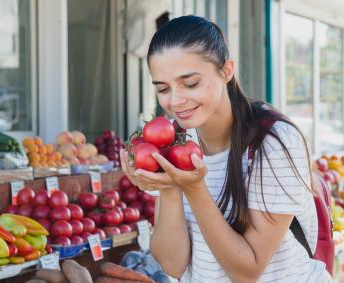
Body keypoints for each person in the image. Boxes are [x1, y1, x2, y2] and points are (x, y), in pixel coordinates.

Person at [120, 15, 332, 283]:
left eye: (190, 83)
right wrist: (169, 185)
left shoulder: (275, 142)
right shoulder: (172, 139)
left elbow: (246, 272)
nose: (175, 101)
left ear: (226, 71)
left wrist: (195, 189)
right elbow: (172, 265)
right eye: (163, 88)